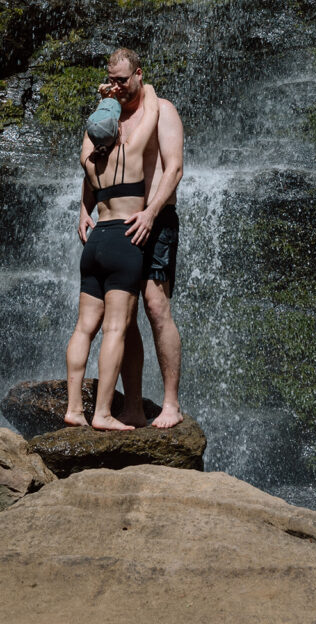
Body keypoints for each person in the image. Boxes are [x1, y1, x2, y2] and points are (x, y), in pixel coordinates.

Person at [78, 48, 184, 429]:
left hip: (155, 218)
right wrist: (83, 207)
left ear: (139, 74)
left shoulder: (163, 110)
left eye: (123, 80)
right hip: (118, 223)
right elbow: (95, 166)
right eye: (112, 79)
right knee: (122, 317)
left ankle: (171, 404)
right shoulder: (110, 116)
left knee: (156, 307)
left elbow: (174, 169)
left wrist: (152, 212)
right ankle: (135, 406)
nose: (117, 87)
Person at [65, 81, 160, 431]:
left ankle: (75, 408)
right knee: (116, 328)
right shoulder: (131, 151)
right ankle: (102, 412)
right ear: (119, 129)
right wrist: (143, 86)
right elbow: (150, 113)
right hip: (124, 241)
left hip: (95, 243)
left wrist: (104, 101)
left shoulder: (87, 160)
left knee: (83, 329)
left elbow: (91, 134)